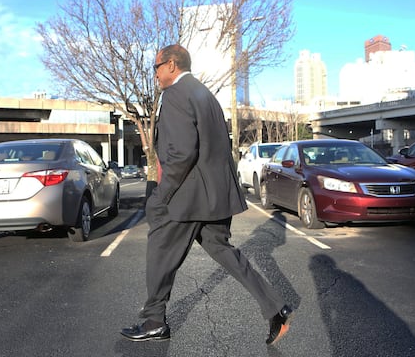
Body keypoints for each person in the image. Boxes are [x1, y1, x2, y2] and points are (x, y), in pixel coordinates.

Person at [120, 44, 293, 345]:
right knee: (225, 252)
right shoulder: (206, 95)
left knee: (159, 250)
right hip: (214, 197)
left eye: (156, 67)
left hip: (187, 196)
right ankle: (276, 309)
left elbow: (182, 152)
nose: (156, 74)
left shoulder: (175, 94)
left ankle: (154, 321)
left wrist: (162, 195)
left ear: (171, 65)